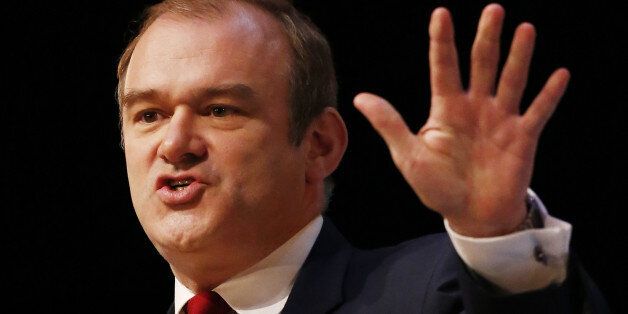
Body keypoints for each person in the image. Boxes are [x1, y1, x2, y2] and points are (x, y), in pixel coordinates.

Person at [116, 0, 609, 313]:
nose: (176, 142)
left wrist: (499, 235)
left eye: (219, 110)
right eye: (148, 115)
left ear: (319, 145)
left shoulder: (438, 293)